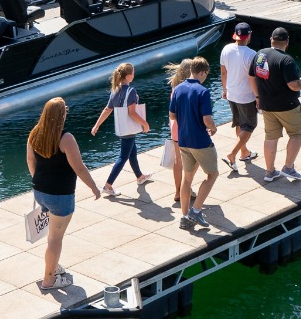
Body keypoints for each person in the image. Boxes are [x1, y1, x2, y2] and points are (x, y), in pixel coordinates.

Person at [27, 97, 101, 293]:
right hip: (60, 196)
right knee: (55, 239)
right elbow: (79, 168)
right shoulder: (66, 138)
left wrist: (40, 182)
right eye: (65, 110)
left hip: (39, 191)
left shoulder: (35, 133)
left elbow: (31, 161)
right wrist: (94, 187)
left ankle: (53, 266)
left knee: (53, 236)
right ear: (61, 115)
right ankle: (49, 280)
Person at [249, 27, 301, 182]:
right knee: (296, 134)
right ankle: (288, 168)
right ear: (287, 42)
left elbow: (251, 77)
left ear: (271, 39)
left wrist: (258, 96)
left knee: (271, 137)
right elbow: (293, 85)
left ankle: (270, 172)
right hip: (288, 106)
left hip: (267, 105)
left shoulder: (260, 54)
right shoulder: (286, 60)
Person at [169, 57, 218, 230]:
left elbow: (172, 115)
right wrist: (213, 128)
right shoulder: (203, 91)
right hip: (200, 141)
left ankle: (184, 217)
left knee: (187, 178)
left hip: (183, 140)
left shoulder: (177, 89)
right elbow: (207, 119)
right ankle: (196, 211)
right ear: (203, 72)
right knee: (212, 174)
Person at [90, 63, 152, 196]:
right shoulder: (131, 91)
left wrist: (97, 125)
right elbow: (132, 113)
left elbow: (107, 110)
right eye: (133, 72)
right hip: (129, 129)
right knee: (123, 157)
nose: (134, 74)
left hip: (122, 128)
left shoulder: (115, 90)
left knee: (132, 152)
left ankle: (140, 177)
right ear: (128, 76)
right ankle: (108, 186)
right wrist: (145, 124)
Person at [219, 23, 258, 173]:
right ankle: (232, 153)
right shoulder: (252, 54)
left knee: (239, 123)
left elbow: (223, 72)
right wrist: (258, 96)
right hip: (246, 96)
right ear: (249, 35)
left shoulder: (226, 49)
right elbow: (254, 78)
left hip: (231, 93)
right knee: (249, 126)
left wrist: (224, 89)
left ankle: (244, 152)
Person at [165, 59, 194, 207]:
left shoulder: (174, 85)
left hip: (175, 126)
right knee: (192, 159)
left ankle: (178, 191)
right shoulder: (189, 88)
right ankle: (186, 188)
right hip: (186, 127)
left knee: (178, 159)